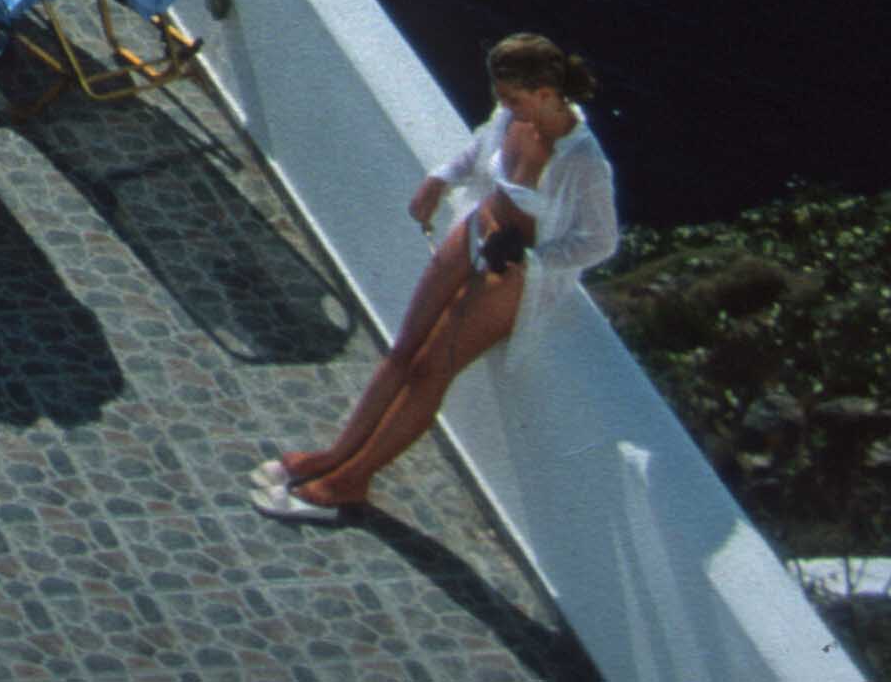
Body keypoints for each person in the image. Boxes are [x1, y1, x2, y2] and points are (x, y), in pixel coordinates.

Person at [252, 35, 620, 524]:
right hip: (475, 232)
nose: (504, 107)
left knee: (431, 368)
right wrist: (440, 179)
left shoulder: (583, 162)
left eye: (513, 98)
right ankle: (334, 454)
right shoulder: (514, 115)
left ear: (548, 93)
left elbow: (600, 241)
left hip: (511, 272)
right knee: (404, 348)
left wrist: (533, 259)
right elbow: (479, 149)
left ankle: (351, 481)